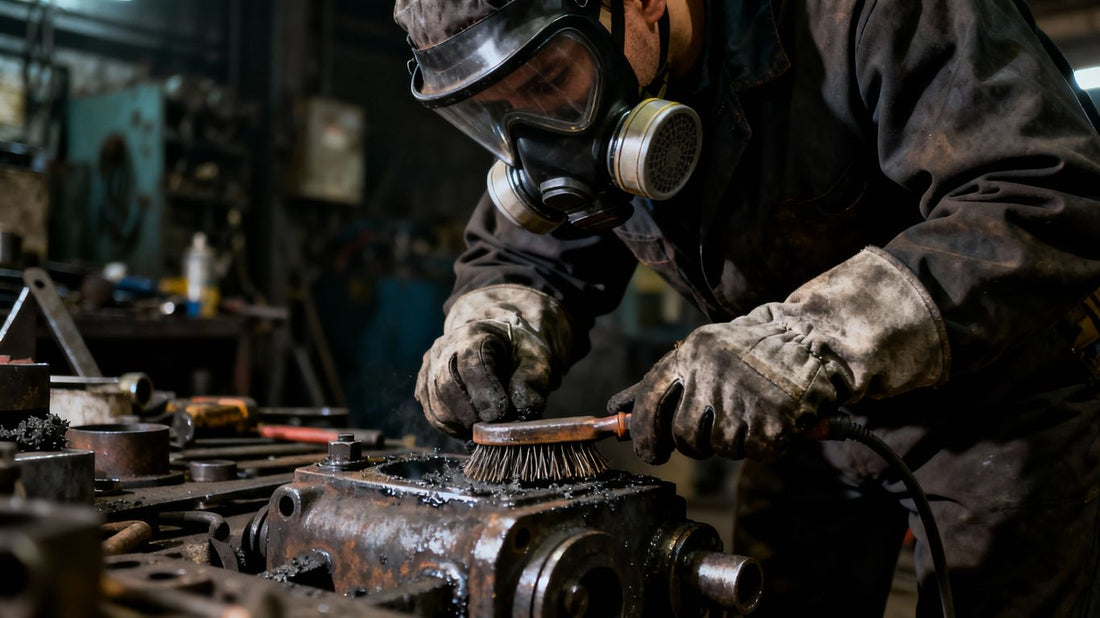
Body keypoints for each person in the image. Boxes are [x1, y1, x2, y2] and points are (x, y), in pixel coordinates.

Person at [393, 1, 1100, 616]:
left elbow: (1039, 196)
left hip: (999, 406)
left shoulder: (871, 14)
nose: (538, 134)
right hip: (807, 423)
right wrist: (494, 325)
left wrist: (803, 343)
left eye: (550, 79)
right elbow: (524, 257)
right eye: (497, 109)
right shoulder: (572, 109)